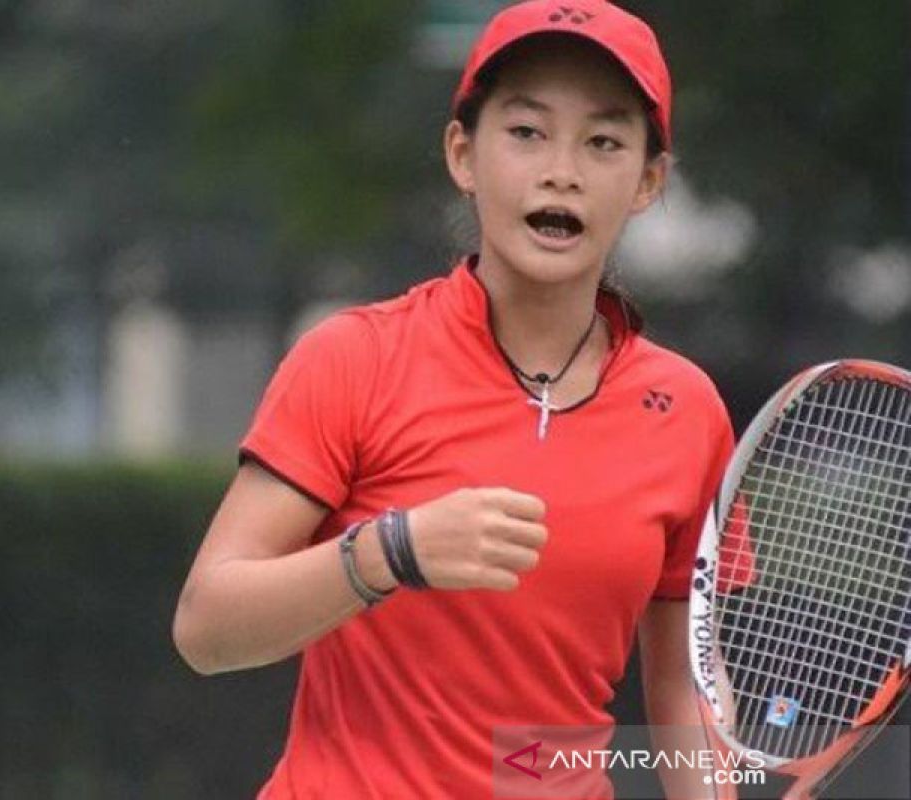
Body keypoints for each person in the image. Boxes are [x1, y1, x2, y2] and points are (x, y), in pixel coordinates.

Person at [173, 1, 734, 797]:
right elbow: (206, 629)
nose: (561, 170)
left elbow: (682, 693)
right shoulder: (354, 357)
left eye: (603, 142)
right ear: (463, 155)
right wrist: (390, 553)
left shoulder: (687, 411)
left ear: (648, 182)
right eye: (527, 132)